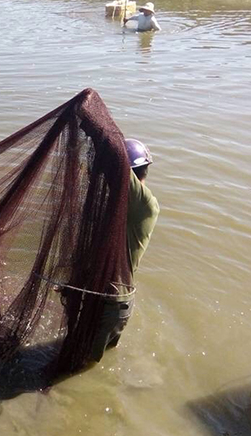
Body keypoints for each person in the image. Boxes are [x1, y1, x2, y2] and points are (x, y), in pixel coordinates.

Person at [87, 138, 160, 362]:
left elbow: (118, 163)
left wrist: (91, 117)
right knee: (94, 363)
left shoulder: (143, 202)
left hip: (112, 302)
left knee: (83, 363)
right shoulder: (123, 205)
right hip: (108, 299)